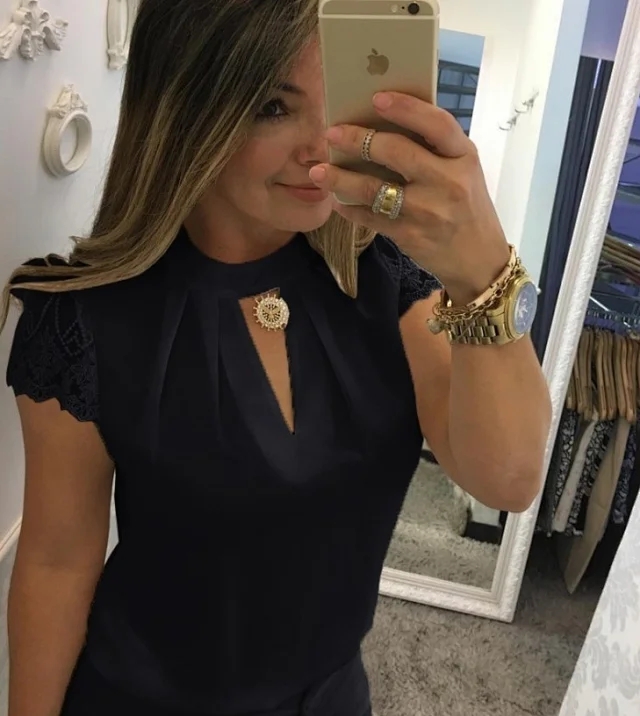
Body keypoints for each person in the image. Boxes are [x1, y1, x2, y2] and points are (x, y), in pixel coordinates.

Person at [1, 1, 552, 714]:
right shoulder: (81, 323)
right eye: (273, 106)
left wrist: (482, 269)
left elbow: (507, 479)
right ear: (187, 110)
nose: (320, 150)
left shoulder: (386, 281)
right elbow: (56, 562)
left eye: (338, 104)